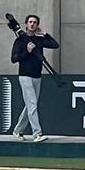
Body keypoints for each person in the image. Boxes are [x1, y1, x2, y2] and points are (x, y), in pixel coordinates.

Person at [10, 14, 59, 143]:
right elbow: (14, 59)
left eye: (35, 22)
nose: (32, 24)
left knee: (30, 105)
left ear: (37, 25)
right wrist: (27, 51)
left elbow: (55, 45)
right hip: (25, 75)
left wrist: (45, 33)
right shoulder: (20, 40)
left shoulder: (39, 39)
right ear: (26, 24)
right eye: (30, 22)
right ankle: (37, 133)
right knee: (32, 104)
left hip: (37, 75)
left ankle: (18, 130)